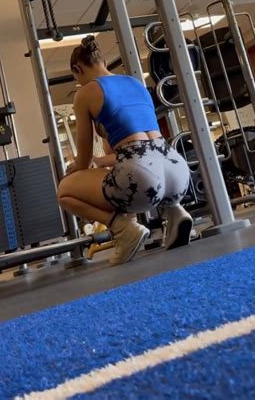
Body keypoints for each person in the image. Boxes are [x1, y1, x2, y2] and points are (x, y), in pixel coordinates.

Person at [57, 36, 193, 266]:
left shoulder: (85, 93)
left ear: (77, 69)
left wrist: (76, 169)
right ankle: (176, 211)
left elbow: (84, 158)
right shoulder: (135, 83)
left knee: (64, 191)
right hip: (177, 170)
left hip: (142, 176)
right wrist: (102, 161)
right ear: (104, 61)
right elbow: (139, 145)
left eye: (76, 78)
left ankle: (123, 229)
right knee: (132, 172)